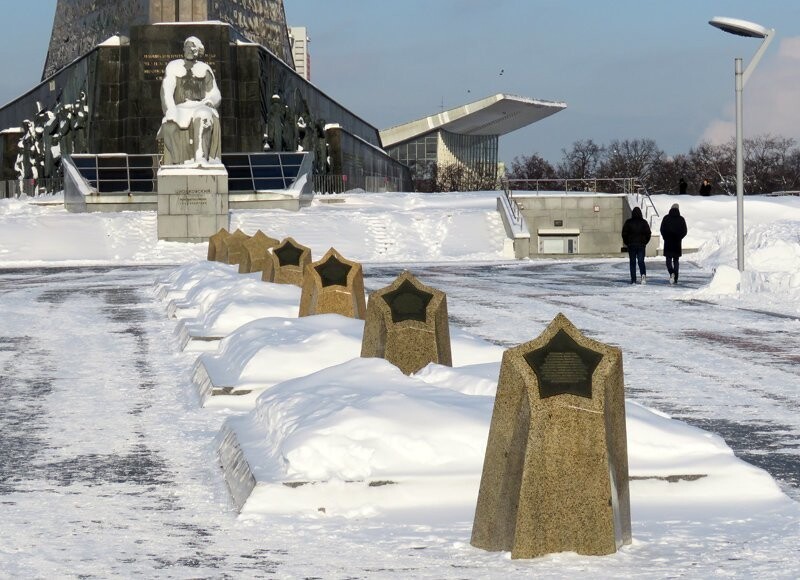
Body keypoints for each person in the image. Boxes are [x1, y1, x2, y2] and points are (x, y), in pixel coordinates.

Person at [158, 36, 221, 165]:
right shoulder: (173, 67)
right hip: (180, 108)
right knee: (170, 125)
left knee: (203, 116)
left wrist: (211, 101)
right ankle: (178, 163)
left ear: (198, 50)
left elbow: (214, 92)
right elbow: (166, 91)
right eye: (187, 47)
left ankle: (200, 158)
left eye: (193, 47)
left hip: (200, 106)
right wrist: (170, 109)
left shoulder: (205, 69)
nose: (190, 50)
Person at [621, 206, 651, 284]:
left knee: (632, 262)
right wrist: (645, 242)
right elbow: (648, 233)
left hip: (631, 245)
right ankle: (643, 276)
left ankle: (633, 279)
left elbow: (624, 233)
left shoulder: (628, 222)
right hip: (641, 245)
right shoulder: (644, 222)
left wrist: (627, 242)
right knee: (641, 261)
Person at [660, 203, 688, 284]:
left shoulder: (666, 218)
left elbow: (662, 229)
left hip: (668, 242)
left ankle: (671, 273)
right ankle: (675, 277)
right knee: (676, 260)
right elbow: (685, 231)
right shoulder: (681, 219)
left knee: (668, 261)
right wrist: (679, 237)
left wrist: (665, 237)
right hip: (677, 243)